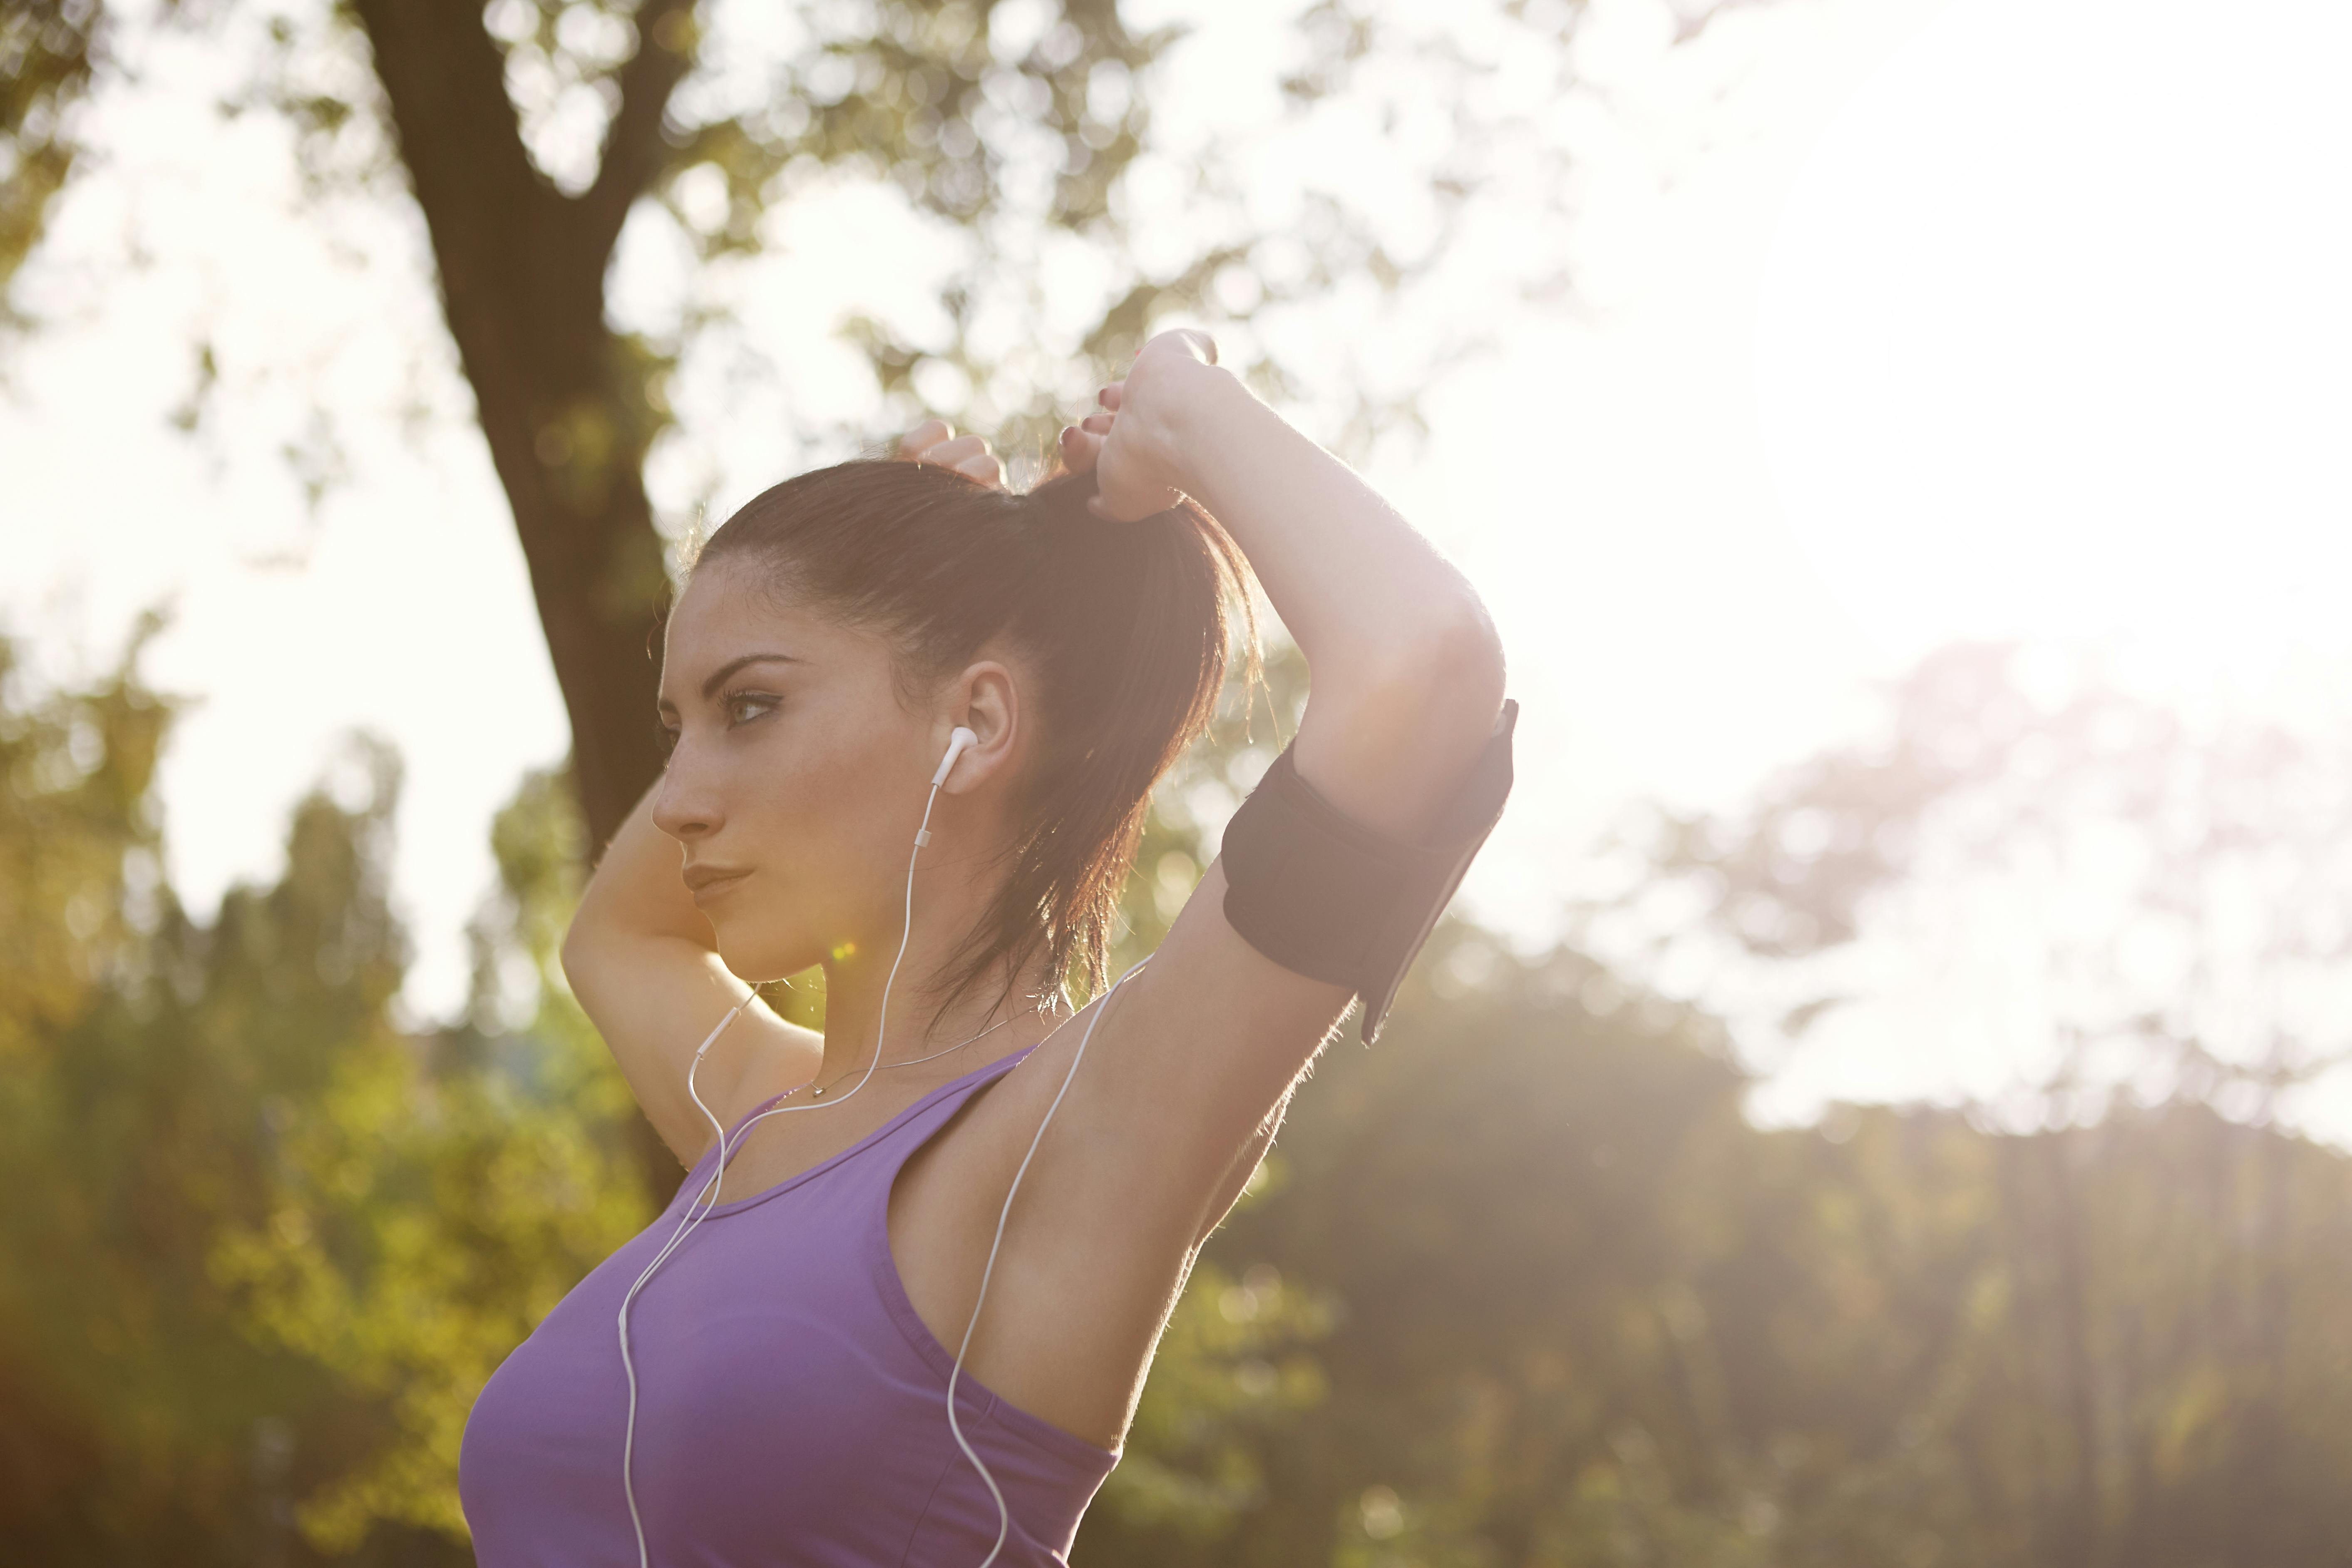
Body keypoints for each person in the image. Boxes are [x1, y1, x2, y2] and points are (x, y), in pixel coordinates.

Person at [457, 328, 1512, 1566]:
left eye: (751, 707)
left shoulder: (1076, 1134)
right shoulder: (754, 1112)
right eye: (675, 724)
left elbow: (1425, 662)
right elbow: (620, 935)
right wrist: (912, 553)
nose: (679, 797)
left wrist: (1182, 411)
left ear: (979, 720)